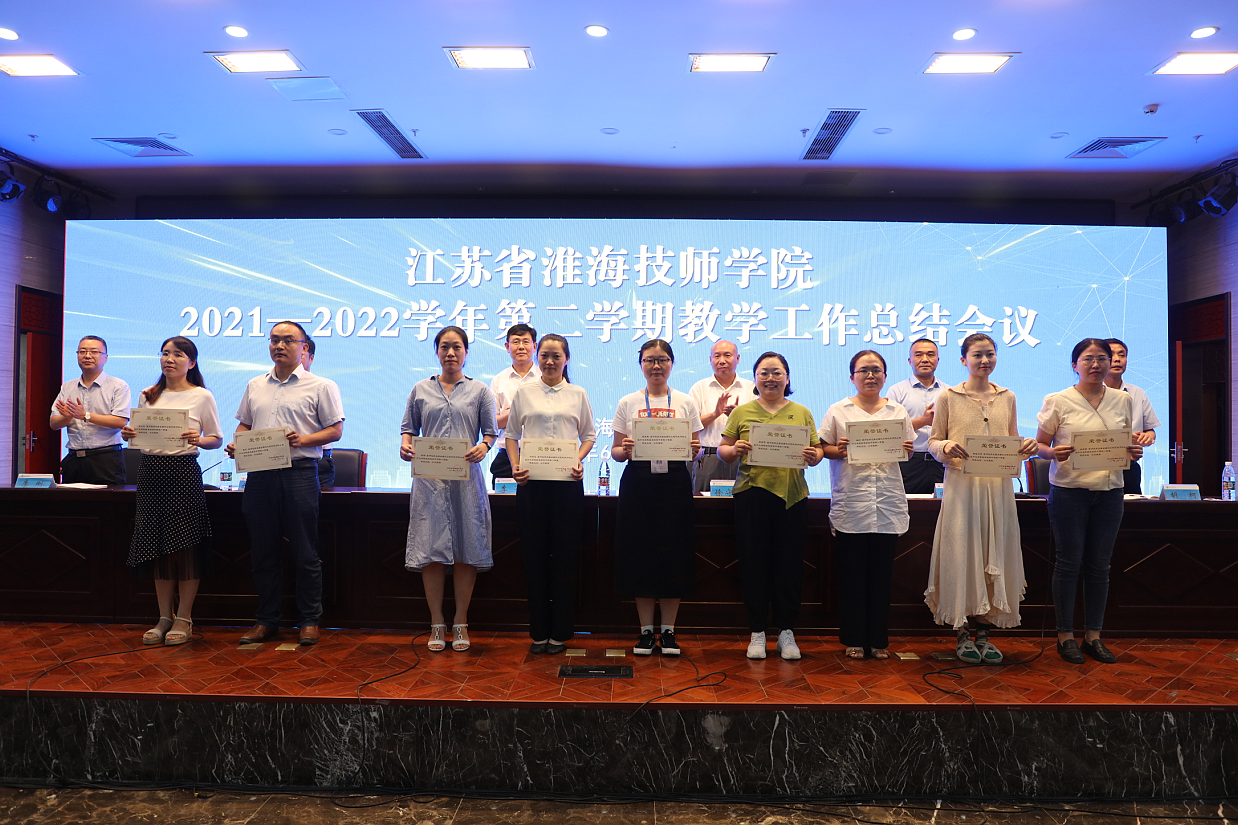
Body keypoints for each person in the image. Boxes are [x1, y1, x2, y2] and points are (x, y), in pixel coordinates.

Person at [227, 321, 345, 647]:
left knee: (305, 551)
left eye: (288, 340)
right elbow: (244, 425)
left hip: (299, 473)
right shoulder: (255, 385)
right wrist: (238, 443)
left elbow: (335, 430)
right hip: (260, 474)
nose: (279, 346)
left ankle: (309, 621)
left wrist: (302, 439)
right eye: (274, 340)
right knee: (263, 551)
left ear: (304, 347)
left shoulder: (321, 386)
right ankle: (267, 620)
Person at [925, 333, 1038, 664]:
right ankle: (962, 632)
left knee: (995, 552)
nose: (984, 360)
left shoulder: (1007, 396)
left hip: (998, 488)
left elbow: (1013, 440)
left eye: (990, 354)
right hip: (962, 487)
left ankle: (985, 633)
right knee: (962, 553)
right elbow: (933, 441)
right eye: (977, 355)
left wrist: (1027, 446)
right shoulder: (948, 396)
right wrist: (945, 446)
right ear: (964, 360)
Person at [1036, 339, 1141, 664]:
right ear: (1074, 365)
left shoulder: (1122, 400)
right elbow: (1039, 445)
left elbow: (1124, 442)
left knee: (1099, 566)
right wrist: (1052, 453)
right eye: (1088, 359)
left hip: (1110, 492)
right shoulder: (1058, 400)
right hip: (1070, 491)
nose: (1096, 365)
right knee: (1069, 564)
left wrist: (1133, 451)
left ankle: (1093, 636)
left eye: (1102, 359)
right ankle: (1065, 636)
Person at [718, 352, 822, 660]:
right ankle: (757, 632)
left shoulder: (801, 412)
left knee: (789, 565)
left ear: (787, 378)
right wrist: (734, 449)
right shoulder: (742, 412)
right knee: (753, 564)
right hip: (752, 496)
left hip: (792, 497)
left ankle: (786, 631)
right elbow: (723, 449)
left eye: (777, 373)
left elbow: (817, 450)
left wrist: (814, 455)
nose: (770, 378)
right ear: (755, 378)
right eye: (764, 373)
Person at [400, 326, 498, 652]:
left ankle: (460, 621)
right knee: (431, 551)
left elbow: (490, 433)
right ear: (436, 351)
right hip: (429, 481)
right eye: (444, 347)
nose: (451, 353)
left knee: (465, 550)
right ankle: (436, 622)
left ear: (466, 352)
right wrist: (406, 446)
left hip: (466, 480)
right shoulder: (420, 389)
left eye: (457, 347)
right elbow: (408, 429)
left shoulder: (480, 390)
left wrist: (484, 446)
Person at [120, 336, 222, 646]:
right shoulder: (148, 395)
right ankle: (164, 616)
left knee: (186, 547)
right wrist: (128, 434)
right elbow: (137, 436)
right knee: (156, 545)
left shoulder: (202, 395)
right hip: (150, 472)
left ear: (191, 362)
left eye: (178, 354)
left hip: (182, 473)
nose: (170, 359)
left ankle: (184, 618)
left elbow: (216, 439)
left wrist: (198, 439)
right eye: (165, 353)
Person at [818, 350, 914, 660]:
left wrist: (907, 448)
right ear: (852, 377)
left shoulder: (897, 411)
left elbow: (907, 450)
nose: (870, 375)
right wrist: (839, 449)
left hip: (886, 501)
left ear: (885, 376)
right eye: (863, 370)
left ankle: (878, 640)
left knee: (881, 576)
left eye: (876, 370)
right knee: (852, 576)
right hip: (853, 502)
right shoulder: (838, 410)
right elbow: (823, 449)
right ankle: (854, 639)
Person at [610, 339, 702, 656]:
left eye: (662, 359)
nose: (656, 366)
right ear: (641, 365)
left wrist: (694, 450)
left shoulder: (685, 402)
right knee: (641, 554)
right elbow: (616, 452)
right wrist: (625, 450)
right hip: (638, 483)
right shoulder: (628, 402)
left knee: (674, 553)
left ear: (672, 364)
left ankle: (670, 631)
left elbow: (695, 448)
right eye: (649, 360)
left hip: (674, 484)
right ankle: (646, 631)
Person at [506, 334, 596, 654]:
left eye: (556, 356)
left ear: (566, 359)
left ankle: (560, 632)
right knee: (535, 557)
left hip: (567, 484)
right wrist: (515, 466)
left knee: (566, 557)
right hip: (531, 485)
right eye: (544, 355)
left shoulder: (577, 393)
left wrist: (577, 460)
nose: (549, 361)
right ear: (537, 356)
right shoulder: (524, 392)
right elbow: (511, 435)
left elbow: (589, 435)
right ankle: (539, 632)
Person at [50, 335, 131, 485]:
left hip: (106, 459)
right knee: (71, 500)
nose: (87, 356)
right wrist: (67, 417)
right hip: (74, 460)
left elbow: (120, 421)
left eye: (94, 352)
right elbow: (54, 424)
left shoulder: (118, 386)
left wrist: (85, 415)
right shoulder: (67, 387)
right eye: (82, 351)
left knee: (107, 500)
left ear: (105, 358)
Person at [690, 340, 754, 494]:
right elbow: (689, 427)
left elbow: (758, 427)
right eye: (717, 356)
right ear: (710, 359)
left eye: (727, 355)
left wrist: (738, 418)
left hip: (741, 457)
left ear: (737, 358)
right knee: (705, 506)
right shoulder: (699, 388)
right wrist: (715, 414)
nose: (722, 361)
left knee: (743, 503)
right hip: (707, 458)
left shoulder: (752, 388)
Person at [886, 338, 945, 494]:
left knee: (943, 507)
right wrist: (923, 421)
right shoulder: (896, 391)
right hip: (909, 463)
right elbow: (889, 432)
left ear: (938, 360)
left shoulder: (948, 392)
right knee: (909, 507)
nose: (925, 359)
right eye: (918, 355)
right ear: (909, 360)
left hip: (942, 462)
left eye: (930, 354)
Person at [1103, 338, 1160, 494]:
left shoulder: (1137, 392)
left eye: (1122, 355)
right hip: (1096, 468)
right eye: (1111, 355)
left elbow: (1150, 430)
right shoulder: (1089, 393)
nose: (1117, 359)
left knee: (1133, 508)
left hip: (1129, 467)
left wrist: (1147, 438)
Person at [489, 323, 541, 489]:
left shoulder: (545, 378)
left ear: (534, 346)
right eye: (516, 342)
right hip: (506, 458)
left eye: (526, 342)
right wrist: (516, 413)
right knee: (505, 504)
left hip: (540, 455)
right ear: (507, 346)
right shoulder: (499, 380)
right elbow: (493, 424)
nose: (521, 347)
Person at [302, 338, 339, 489]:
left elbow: (335, 430)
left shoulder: (324, 386)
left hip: (317, 460)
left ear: (311, 358)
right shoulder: (264, 384)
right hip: (276, 461)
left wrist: (298, 440)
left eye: (301, 355)